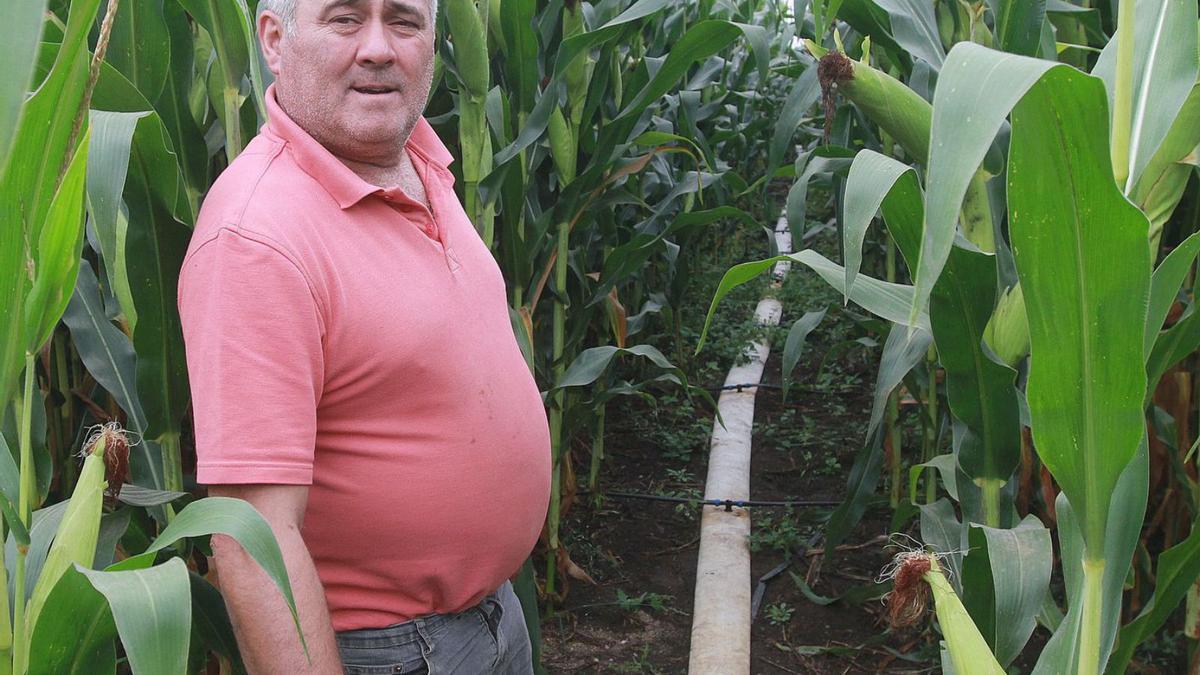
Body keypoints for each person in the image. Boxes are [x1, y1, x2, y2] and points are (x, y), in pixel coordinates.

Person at [176, 0, 551, 672]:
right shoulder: (257, 238)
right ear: (274, 39)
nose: (379, 47)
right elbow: (253, 542)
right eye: (345, 19)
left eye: (404, 21)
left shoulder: (416, 160)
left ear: (434, 42)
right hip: (388, 651)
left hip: (494, 615)